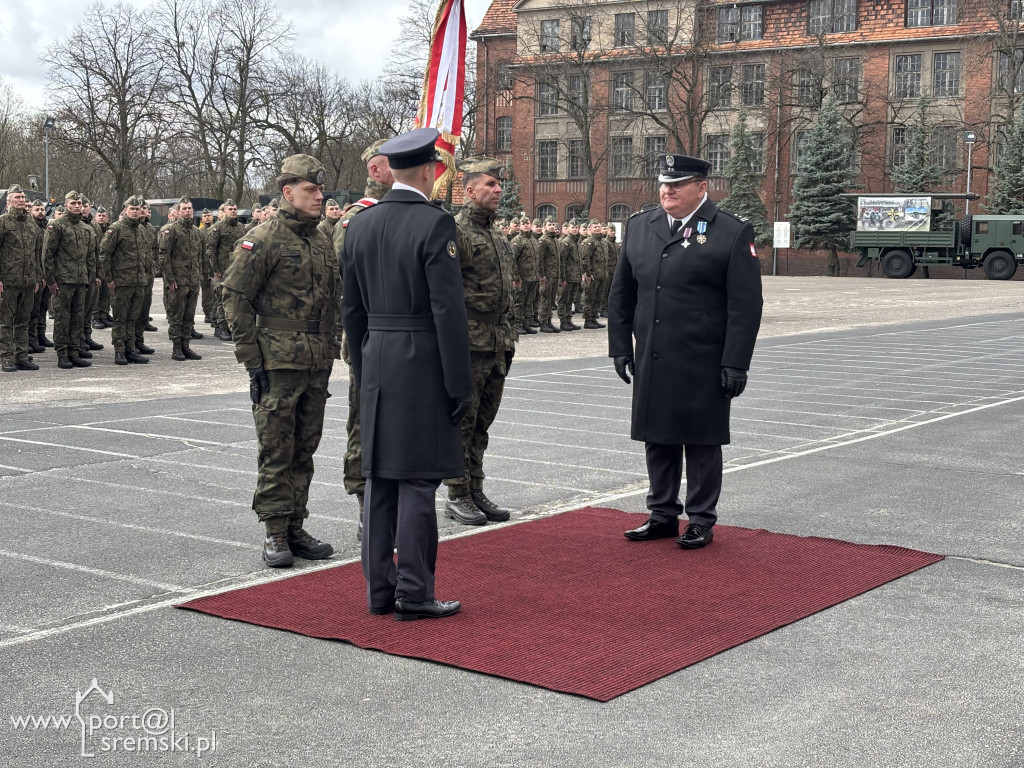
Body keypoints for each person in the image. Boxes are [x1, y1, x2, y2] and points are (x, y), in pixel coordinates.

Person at [341, 127, 471, 620]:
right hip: (421, 359)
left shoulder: (361, 225)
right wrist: (458, 384)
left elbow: (351, 309)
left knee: (380, 478)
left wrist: (362, 361)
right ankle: (414, 591)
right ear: (428, 170)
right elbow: (448, 313)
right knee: (417, 479)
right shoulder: (434, 225)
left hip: (376, 357)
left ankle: (379, 590)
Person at [608, 154, 762, 550]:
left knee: (700, 440)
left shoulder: (729, 232)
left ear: (702, 187)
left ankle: (700, 519)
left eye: (677, 184)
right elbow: (622, 293)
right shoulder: (641, 226)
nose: (667, 190)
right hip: (653, 354)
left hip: (703, 357)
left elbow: (745, 306)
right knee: (657, 437)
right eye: (663, 183)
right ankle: (662, 513)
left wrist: (735, 362)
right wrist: (620, 346)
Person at [222, 154, 338, 569]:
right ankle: (274, 530)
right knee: (276, 447)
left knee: (305, 446)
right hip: (277, 361)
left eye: (320, 190)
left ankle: (295, 524)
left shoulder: (322, 239)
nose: (318, 197)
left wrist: (333, 346)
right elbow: (235, 297)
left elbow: (330, 302)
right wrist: (251, 357)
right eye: (310, 190)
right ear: (287, 192)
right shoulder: (263, 237)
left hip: (315, 359)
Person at [442, 157, 517, 526]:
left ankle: (474, 487)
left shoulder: (498, 235)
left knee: (482, 423)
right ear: (469, 190)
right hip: (469, 342)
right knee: (463, 422)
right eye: (490, 184)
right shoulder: (455, 233)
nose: (498, 189)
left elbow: (508, 293)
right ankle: (457, 493)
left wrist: (510, 336)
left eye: (499, 184)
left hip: (498, 341)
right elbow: (443, 294)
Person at [332, 138, 394, 541]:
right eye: (396, 162)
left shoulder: (408, 212)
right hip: (370, 335)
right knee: (365, 422)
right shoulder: (357, 219)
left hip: (403, 339)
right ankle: (364, 505)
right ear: (375, 170)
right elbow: (347, 282)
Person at [43, 191, 94, 369]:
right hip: (63, 280)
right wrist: (50, 280)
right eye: (73, 203)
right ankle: (62, 354)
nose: (77, 206)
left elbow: (88, 257)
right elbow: (48, 255)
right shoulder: (57, 226)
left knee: (77, 317)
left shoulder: (84, 228)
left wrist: (89, 277)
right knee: (63, 318)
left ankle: (74, 351)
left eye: (79, 203)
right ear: (66, 205)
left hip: (80, 280)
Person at [99, 195, 150, 365]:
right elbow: (105, 254)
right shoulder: (116, 229)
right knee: (120, 318)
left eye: (138, 209)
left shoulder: (141, 230)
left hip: (138, 281)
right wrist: (109, 279)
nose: (135, 212)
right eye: (132, 209)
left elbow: (144, 255)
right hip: (121, 282)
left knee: (133, 318)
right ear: (125, 210)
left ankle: (131, 348)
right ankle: (119, 350)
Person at [0, 185, 43, 371]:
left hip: (28, 281)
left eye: (23, 197)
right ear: (9, 201)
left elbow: (37, 252)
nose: (21, 200)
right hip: (8, 280)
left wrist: (37, 278)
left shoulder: (31, 224)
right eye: (17, 197)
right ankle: (6, 357)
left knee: (24, 321)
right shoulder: (3, 222)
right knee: (5, 321)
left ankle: (21, 355)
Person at [159, 197, 204, 361]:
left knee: (189, 316)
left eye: (189, 208)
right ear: (177, 212)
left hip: (192, 281)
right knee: (177, 316)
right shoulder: (171, 230)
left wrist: (199, 278)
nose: (187, 211)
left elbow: (199, 257)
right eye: (184, 208)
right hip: (178, 280)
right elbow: (164, 256)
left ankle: (186, 346)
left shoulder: (196, 232)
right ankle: (176, 347)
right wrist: (170, 280)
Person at [205, 198, 247, 341]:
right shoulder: (216, 228)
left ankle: (231, 326)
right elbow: (210, 250)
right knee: (221, 299)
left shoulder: (241, 227)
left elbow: (245, 246)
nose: (233, 211)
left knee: (235, 299)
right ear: (223, 212)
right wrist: (215, 270)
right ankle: (221, 327)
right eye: (230, 209)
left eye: (235, 209)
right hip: (222, 269)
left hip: (238, 268)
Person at [28, 200, 53, 351]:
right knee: (31, 309)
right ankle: (31, 338)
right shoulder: (30, 227)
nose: (40, 212)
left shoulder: (47, 228)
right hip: (33, 274)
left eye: (42, 209)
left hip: (46, 273)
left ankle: (40, 334)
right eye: (37, 209)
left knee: (42, 307)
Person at [511, 216, 538, 334]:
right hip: (522, 278)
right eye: (523, 223)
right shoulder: (517, 240)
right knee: (519, 302)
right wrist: (516, 277)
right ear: (520, 226)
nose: (526, 225)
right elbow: (512, 260)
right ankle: (517, 325)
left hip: (533, 277)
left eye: (528, 223)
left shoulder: (533, 240)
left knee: (529, 302)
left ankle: (526, 323)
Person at [556, 218, 582, 331]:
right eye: (573, 227)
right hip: (567, 276)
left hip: (575, 276)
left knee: (570, 299)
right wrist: (562, 278)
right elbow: (561, 261)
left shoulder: (577, 242)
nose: (575, 229)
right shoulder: (566, 242)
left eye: (576, 227)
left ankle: (568, 320)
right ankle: (563, 321)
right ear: (568, 229)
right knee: (563, 299)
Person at [537, 216, 560, 333]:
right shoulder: (543, 240)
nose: (552, 227)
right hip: (546, 275)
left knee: (551, 300)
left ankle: (549, 321)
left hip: (554, 274)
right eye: (549, 225)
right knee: (545, 298)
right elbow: (539, 259)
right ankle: (543, 322)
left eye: (553, 224)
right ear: (544, 226)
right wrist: (541, 275)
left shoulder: (555, 240)